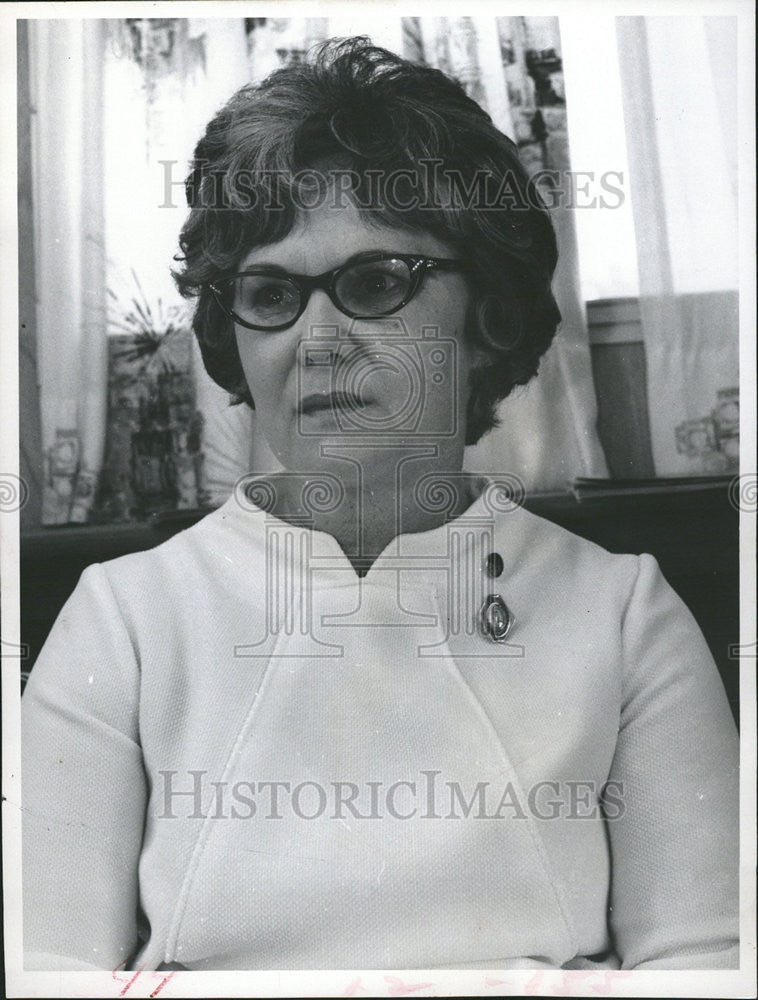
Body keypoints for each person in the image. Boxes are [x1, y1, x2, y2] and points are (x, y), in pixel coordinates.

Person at [22, 37, 739, 972]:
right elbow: (43, 969)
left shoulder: (625, 616)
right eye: (272, 293)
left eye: (374, 284)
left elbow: (706, 961)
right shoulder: (124, 621)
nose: (319, 339)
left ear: (489, 318)